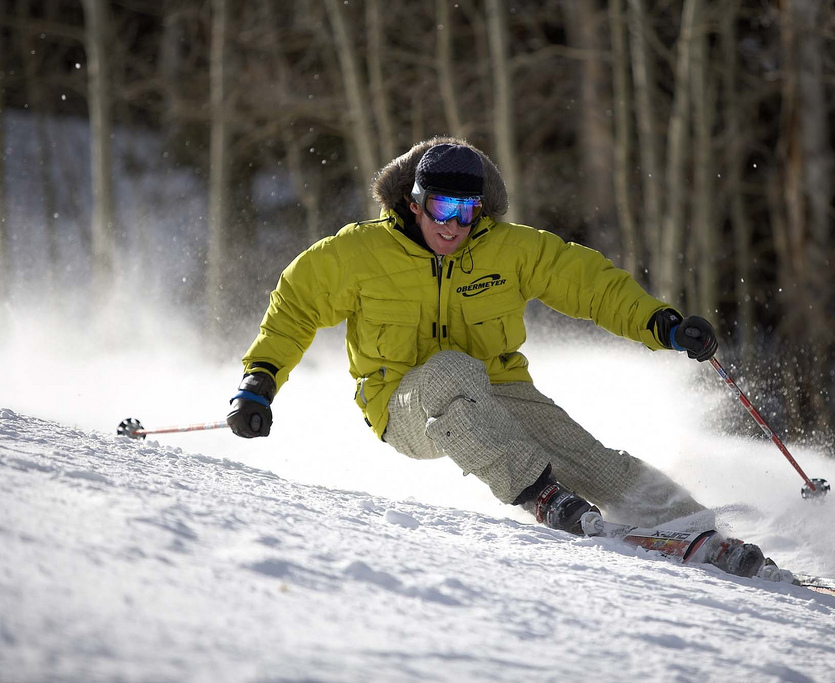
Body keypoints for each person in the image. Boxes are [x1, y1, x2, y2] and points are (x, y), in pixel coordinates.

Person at [227, 137, 764, 578]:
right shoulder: (357, 254)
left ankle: (694, 529)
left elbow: (590, 285)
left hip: (500, 389)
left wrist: (661, 324)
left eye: (466, 212)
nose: (452, 226)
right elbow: (295, 307)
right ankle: (541, 495)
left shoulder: (509, 249)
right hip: (401, 404)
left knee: (592, 458)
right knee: (450, 372)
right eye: (441, 207)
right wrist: (259, 382)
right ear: (414, 202)